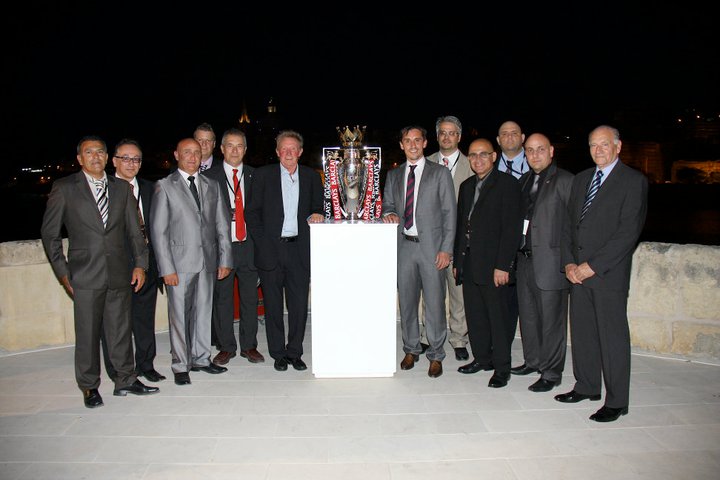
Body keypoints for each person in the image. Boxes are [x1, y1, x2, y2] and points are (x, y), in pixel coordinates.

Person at [41, 135, 158, 408]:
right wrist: (63, 272)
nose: (95, 156)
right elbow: (50, 235)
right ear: (80, 159)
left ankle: (125, 379)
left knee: (120, 330)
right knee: (88, 334)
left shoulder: (121, 189)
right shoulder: (65, 188)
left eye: (100, 152)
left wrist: (140, 264)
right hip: (84, 274)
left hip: (120, 272)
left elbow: (134, 233)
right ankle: (89, 386)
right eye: (88, 152)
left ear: (107, 158)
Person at [557, 125, 648, 422]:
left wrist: (591, 267)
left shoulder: (633, 181)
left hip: (607, 275)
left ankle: (617, 400)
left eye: (604, 145)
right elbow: (570, 227)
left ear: (618, 147)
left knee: (612, 339)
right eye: (593, 145)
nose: (598, 150)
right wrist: (570, 264)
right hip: (577, 275)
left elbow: (627, 233)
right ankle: (586, 386)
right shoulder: (582, 179)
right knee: (582, 335)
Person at [150, 137, 233, 386]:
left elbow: (222, 225)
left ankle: (201, 358)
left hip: (207, 262)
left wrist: (225, 259)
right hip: (178, 265)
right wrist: (166, 269)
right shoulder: (164, 186)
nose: (192, 157)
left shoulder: (212, 185)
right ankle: (180, 364)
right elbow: (158, 232)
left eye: (196, 152)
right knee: (179, 316)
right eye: (187, 152)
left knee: (204, 313)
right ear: (176, 154)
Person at [245, 130, 324, 372]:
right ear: (278, 152)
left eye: (293, 149)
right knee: (272, 305)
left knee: (299, 306)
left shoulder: (311, 176)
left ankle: (295, 352)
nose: (289, 153)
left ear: (300, 152)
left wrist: (318, 213)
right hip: (271, 250)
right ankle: (278, 353)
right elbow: (252, 213)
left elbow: (318, 207)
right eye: (284, 149)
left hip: (299, 250)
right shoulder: (263, 175)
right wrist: (263, 243)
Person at [381, 125, 456, 378]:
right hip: (404, 248)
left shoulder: (440, 173)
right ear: (401, 145)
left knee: (435, 304)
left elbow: (449, 214)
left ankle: (436, 354)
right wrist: (388, 213)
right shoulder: (393, 175)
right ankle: (411, 348)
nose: (412, 145)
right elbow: (388, 206)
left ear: (425, 143)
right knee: (408, 303)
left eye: (417, 140)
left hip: (432, 250)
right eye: (407, 141)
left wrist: (446, 249)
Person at [454, 138, 521, 388]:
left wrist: (503, 265)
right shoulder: (467, 186)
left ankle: (502, 368)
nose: (477, 159)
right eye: (472, 155)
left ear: (494, 157)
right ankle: (482, 358)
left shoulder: (507, 185)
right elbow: (462, 226)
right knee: (475, 315)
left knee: (498, 318)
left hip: (494, 265)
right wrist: (458, 259)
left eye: (483, 154)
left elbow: (511, 229)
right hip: (469, 261)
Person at [512, 133, 574, 392]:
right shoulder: (525, 180)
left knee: (551, 321)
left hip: (550, 263)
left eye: (540, 150)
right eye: (529, 150)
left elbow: (573, 225)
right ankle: (533, 360)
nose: (534, 155)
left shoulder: (566, 180)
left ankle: (551, 372)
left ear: (551, 151)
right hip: (525, 260)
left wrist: (570, 261)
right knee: (528, 317)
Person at [100, 139, 166, 383]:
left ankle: (146, 365)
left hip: (149, 266)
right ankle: (119, 372)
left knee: (144, 319)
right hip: (118, 268)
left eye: (136, 159)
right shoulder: (104, 190)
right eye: (125, 158)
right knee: (116, 325)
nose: (131, 163)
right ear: (114, 160)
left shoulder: (152, 188)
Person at [202, 128, 264, 365]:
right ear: (222, 149)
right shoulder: (209, 177)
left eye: (239, 146)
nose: (235, 150)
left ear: (245, 150)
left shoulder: (255, 176)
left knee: (250, 299)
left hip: (248, 246)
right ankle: (226, 346)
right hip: (222, 248)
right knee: (223, 299)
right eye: (230, 145)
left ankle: (249, 346)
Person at [419, 115, 473, 361]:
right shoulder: (424, 161)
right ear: (437, 136)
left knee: (458, 291)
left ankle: (459, 338)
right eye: (442, 132)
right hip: (430, 241)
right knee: (429, 292)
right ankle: (426, 336)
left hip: (461, 240)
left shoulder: (472, 164)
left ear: (459, 137)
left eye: (452, 133)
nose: (447, 137)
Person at [495, 120, 528, 351]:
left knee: (526, 304)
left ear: (522, 137)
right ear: (498, 140)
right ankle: (498, 348)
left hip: (528, 248)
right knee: (498, 302)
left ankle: (533, 356)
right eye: (504, 134)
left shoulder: (536, 164)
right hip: (496, 246)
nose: (509, 137)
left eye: (514, 133)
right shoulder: (487, 164)